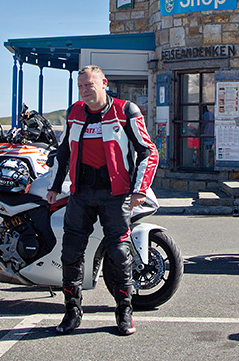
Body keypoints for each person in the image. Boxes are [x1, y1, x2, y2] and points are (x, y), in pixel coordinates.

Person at [46, 65, 159, 336]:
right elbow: (63, 152)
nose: (85, 89)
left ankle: (124, 311)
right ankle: (72, 312)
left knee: (119, 254)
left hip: (115, 193)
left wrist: (139, 189)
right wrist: (54, 186)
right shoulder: (74, 113)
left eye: (90, 84)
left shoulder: (125, 111)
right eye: (81, 86)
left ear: (104, 83)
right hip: (81, 193)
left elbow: (148, 152)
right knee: (71, 252)